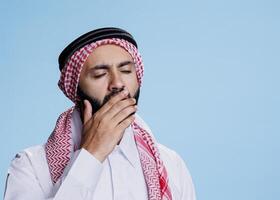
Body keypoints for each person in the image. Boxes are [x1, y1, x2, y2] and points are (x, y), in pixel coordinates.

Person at [4, 27, 196, 200]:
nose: (118, 83)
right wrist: (90, 155)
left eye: (126, 71)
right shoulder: (32, 166)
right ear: (76, 90)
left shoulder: (170, 165)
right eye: (100, 74)